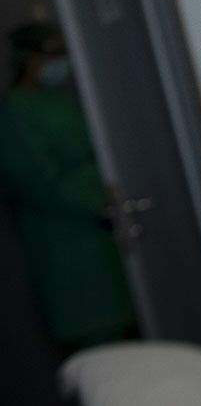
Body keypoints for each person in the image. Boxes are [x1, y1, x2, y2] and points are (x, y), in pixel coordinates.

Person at [0, 22, 136, 357]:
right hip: (64, 244)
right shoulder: (15, 112)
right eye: (53, 56)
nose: (61, 64)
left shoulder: (57, 104)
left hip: (98, 235)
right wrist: (99, 196)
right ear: (28, 61)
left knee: (124, 333)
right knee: (98, 341)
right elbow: (37, 181)